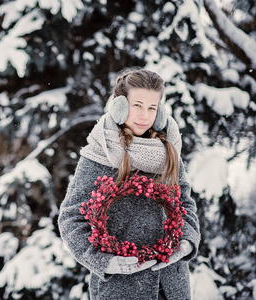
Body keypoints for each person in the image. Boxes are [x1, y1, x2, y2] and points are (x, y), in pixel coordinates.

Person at [58, 68, 200, 299]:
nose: (145, 115)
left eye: (152, 108)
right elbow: (70, 218)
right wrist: (104, 261)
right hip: (121, 289)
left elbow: (185, 203)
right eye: (137, 105)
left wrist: (186, 241)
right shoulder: (99, 154)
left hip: (173, 287)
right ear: (120, 106)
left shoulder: (169, 151)